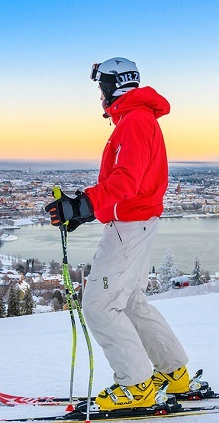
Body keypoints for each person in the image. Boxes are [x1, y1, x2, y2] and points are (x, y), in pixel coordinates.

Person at [44, 57, 200, 411]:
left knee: (99, 306)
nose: (100, 95)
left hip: (129, 229)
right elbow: (130, 184)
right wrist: (86, 211)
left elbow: (126, 182)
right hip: (136, 223)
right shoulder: (137, 119)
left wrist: (83, 204)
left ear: (113, 86)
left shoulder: (133, 122)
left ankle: (137, 386)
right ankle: (173, 374)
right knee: (130, 302)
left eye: (101, 87)